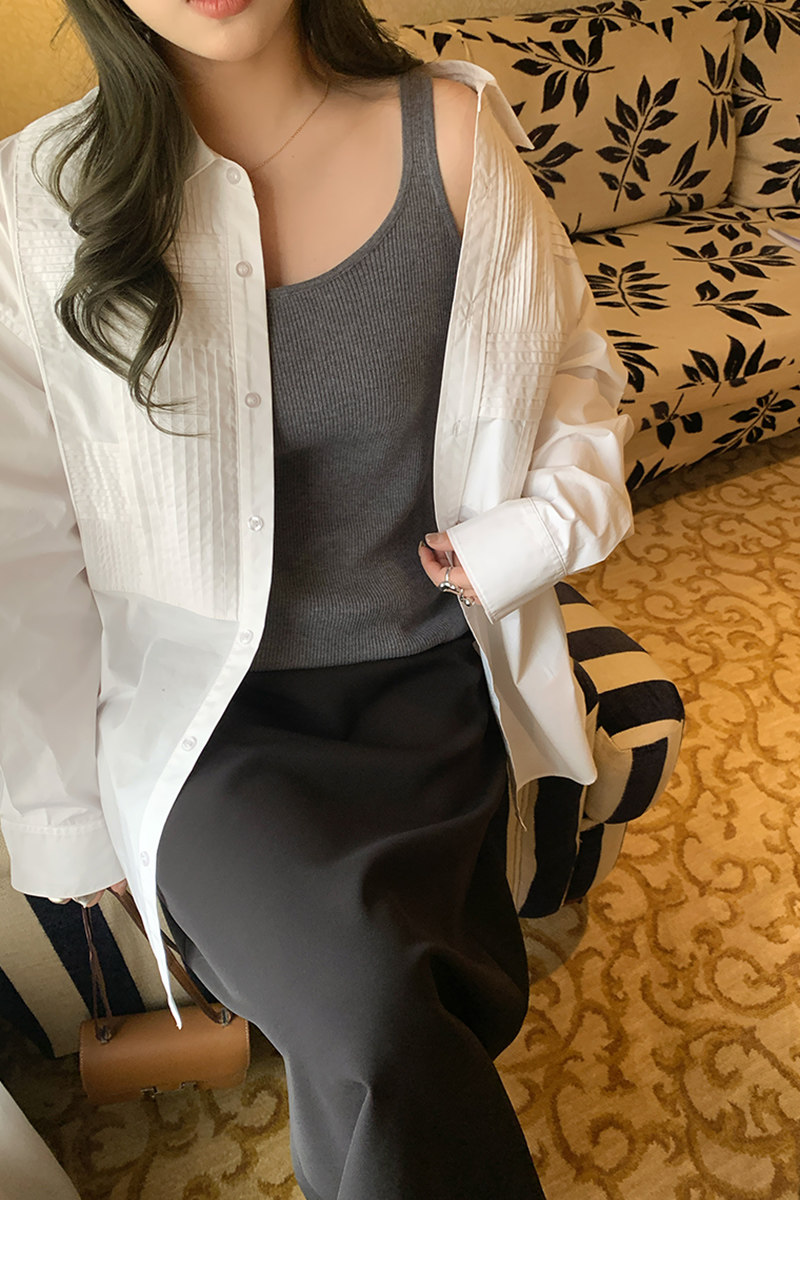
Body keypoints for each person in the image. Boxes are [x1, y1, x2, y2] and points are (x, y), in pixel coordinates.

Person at [0, 0, 634, 1198]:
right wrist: (64, 814)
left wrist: (519, 536)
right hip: (211, 726)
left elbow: (575, 381)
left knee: (401, 1019)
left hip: (429, 683)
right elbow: (20, 540)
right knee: (382, 1021)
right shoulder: (36, 202)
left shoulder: (454, 135)